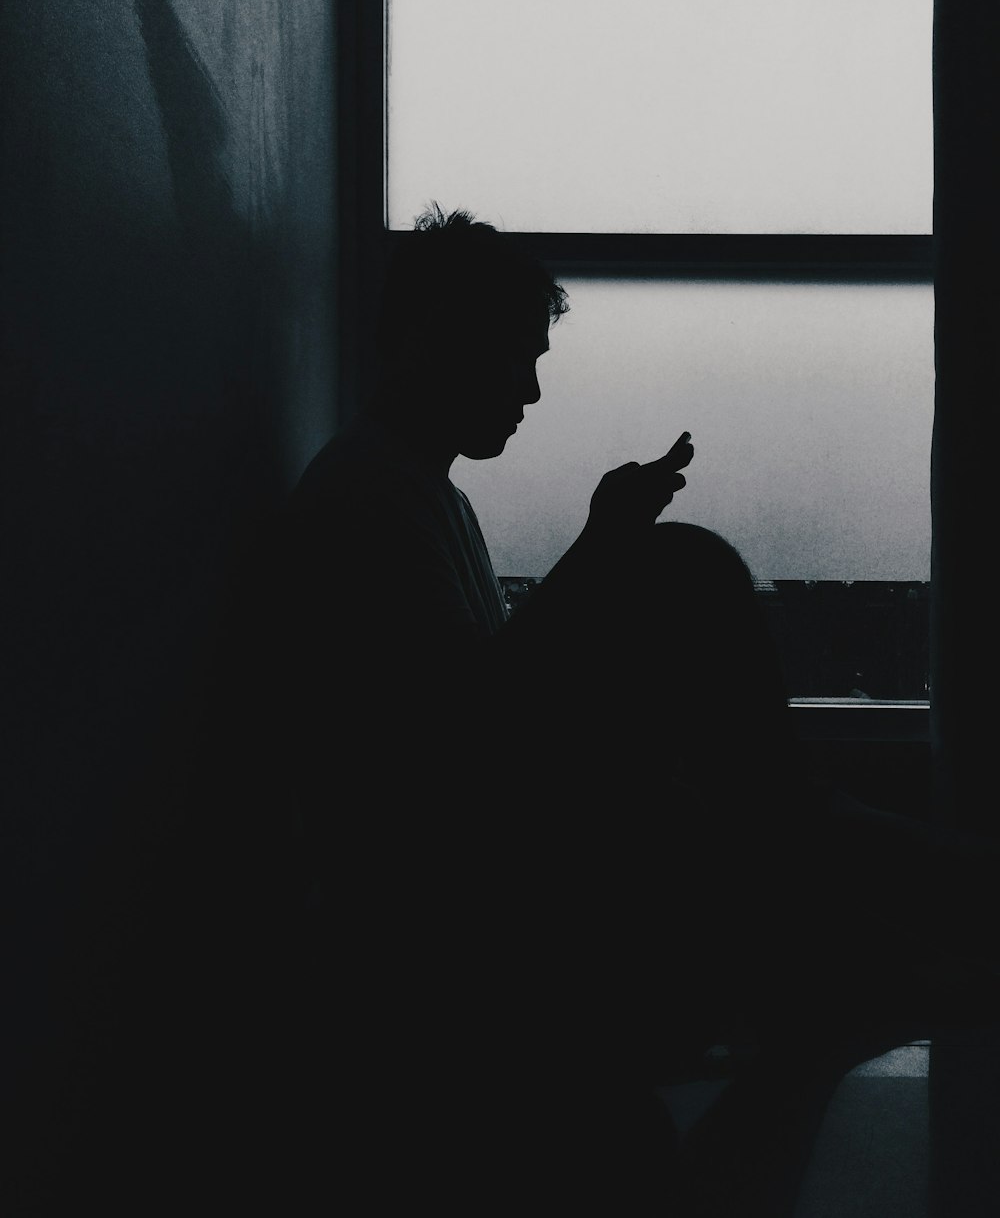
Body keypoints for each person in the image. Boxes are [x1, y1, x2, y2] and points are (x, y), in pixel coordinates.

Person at [208, 205, 998, 1214]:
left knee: (701, 635)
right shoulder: (370, 504)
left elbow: (475, 722)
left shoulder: (409, 493)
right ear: (429, 336)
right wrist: (601, 551)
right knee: (687, 581)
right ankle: (877, 901)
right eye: (513, 355)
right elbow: (460, 744)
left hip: (455, 873)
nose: (532, 390)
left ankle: (861, 906)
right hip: (435, 912)